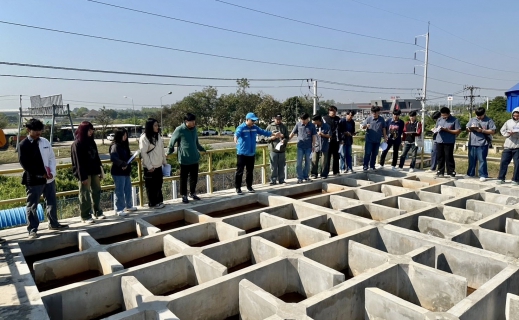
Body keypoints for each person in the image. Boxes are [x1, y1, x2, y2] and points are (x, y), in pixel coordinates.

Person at [19, 119, 68, 239]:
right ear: (28, 130)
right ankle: (33, 229)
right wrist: (42, 173)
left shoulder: (45, 141)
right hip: (34, 180)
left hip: (49, 178)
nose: (38, 133)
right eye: (35, 131)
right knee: (32, 205)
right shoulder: (23, 145)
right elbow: (26, 164)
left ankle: (53, 223)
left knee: (51, 201)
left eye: (40, 130)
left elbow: (51, 157)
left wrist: (51, 171)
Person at [234, 112, 281, 195]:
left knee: (250, 171)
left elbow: (264, 132)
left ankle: (249, 186)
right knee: (239, 171)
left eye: (254, 121)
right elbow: (236, 133)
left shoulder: (255, 127)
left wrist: (274, 134)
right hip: (242, 153)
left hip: (251, 153)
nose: (253, 122)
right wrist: (235, 138)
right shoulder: (241, 127)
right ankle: (238, 188)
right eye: (252, 120)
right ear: (247, 119)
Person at [71, 121, 105, 224]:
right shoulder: (77, 144)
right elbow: (78, 162)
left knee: (97, 191)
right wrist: (82, 177)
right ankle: (85, 216)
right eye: (89, 130)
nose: (91, 132)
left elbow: (96, 157)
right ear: (83, 130)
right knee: (85, 194)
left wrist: (100, 170)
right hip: (84, 173)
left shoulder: (91, 142)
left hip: (94, 170)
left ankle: (98, 212)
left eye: (92, 130)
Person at [167, 113, 206, 203]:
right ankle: (184, 195)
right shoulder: (180, 129)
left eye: (194, 121)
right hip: (184, 159)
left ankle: (192, 193)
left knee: (194, 178)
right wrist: (169, 151)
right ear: (186, 121)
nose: (193, 123)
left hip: (194, 158)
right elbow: (172, 141)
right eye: (191, 121)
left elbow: (196, 142)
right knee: (183, 178)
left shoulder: (194, 129)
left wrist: (202, 149)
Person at [140, 118, 167, 208]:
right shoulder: (144, 138)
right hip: (150, 166)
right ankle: (153, 203)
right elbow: (143, 153)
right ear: (150, 126)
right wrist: (149, 166)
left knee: (159, 184)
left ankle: (159, 201)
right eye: (155, 125)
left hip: (158, 164)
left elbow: (162, 149)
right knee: (151, 186)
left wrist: (164, 161)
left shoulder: (158, 136)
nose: (157, 127)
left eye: (157, 125)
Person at [110, 128, 137, 217]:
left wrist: (132, 157)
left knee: (128, 189)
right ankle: (119, 209)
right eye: (124, 135)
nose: (125, 137)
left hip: (126, 171)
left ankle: (129, 205)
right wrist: (122, 164)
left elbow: (126, 156)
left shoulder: (124, 145)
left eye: (126, 135)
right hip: (118, 171)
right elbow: (114, 158)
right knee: (120, 191)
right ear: (119, 136)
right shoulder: (115, 145)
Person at [465, 107, 496, 182]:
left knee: (482, 160)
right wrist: (470, 129)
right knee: (471, 159)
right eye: (477, 115)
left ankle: (483, 175)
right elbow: (467, 128)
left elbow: (493, 131)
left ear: (484, 114)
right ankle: (470, 173)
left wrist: (482, 130)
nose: (478, 117)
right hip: (472, 142)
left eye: (480, 116)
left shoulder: (489, 120)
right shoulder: (472, 119)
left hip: (482, 143)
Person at [289, 113, 317, 183]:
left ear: (308, 119)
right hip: (300, 147)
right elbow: (292, 133)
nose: (303, 121)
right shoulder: (298, 124)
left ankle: (306, 176)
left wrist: (313, 146)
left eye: (304, 120)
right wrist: (286, 140)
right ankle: (300, 178)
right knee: (299, 163)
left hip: (309, 147)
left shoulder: (312, 126)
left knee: (308, 162)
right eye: (301, 119)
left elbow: (314, 136)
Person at [434, 107, 461, 178]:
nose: (443, 117)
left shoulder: (455, 120)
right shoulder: (439, 119)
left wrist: (447, 130)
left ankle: (451, 171)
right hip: (439, 140)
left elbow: (458, 131)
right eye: (442, 115)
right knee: (440, 156)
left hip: (449, 141)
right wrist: (435, 130)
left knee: (448, 156)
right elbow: (436, 128)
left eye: (445, 115)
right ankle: (440, 171)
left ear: (449, 114)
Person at [361, 106, 388, 172]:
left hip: (377, 140)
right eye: (373, 112)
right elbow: (363, 127)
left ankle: (372, 166)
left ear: (378, 112)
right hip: (369, 140)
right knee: (367, 153)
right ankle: (365, 166)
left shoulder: (381, 119)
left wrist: (385, 137)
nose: (374, 114)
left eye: (375, 112)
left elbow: (384, 128)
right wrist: (366, 126)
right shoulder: (368, 119)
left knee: (374, 153)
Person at [496, 107, 519, 185]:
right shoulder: (508, 122)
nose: (516, 117)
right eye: (514, 115)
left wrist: (516, 134)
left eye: (517, 116)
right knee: (503, 162)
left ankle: (515, 179)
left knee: (517, 163)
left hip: (517, 147)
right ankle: (501, 178)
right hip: (508, 146)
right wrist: (508, 134)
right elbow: (502, 130)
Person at [265, 113, 289, 185]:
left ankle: (281, 180)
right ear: (274, 119)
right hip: (273, 150)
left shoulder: (283, 127)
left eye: (280, 119)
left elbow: (287, 137)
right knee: (273, 166)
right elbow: (264, 137)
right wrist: (271, 138)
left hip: (281, 150)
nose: (278, 121)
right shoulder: (269, 127)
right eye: (277, 119)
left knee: (281, 166)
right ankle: (273, 180)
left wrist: (284, 139)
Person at [322, 106, 342, 176]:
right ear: (329, 111)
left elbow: (340, 130)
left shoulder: (338, 119)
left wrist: (341, 139)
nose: (333, 113)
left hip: (336, 140)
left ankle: (336, 171)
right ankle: (325, 173)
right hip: (327, 140)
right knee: (327, 157)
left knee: (336, 156)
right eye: (332, 111)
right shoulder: (324, 119)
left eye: (334, 111)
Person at [310, 114, 331, 179]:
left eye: (314, 120)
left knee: (324, 161)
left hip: (324, 146)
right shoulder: (313, 127)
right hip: (316, 146)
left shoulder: (326, 126)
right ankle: (314, 174)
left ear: (318, 120)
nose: (313, 122)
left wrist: (323, 134)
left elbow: (330, 135)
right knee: (314, 160)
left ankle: (324, 174)